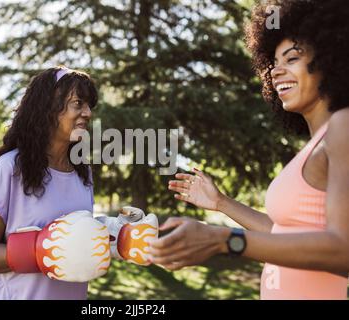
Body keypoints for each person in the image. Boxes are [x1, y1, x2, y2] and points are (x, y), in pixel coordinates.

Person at [149, 0, 349, 300]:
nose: (276, 72)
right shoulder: (314, 145)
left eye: (292, 58)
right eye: (273, 64)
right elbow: (284, 235)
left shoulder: (343, 127)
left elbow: (343, 249)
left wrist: (223, 240)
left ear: (332, 60)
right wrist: (221, 204)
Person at [0, 66, 98, 300]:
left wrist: (117, 238)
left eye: (89, 105)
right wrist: (42, 248)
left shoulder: (84, 174)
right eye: (78, 103)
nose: (88, 113)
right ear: (48, 108)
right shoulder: (10, 168)